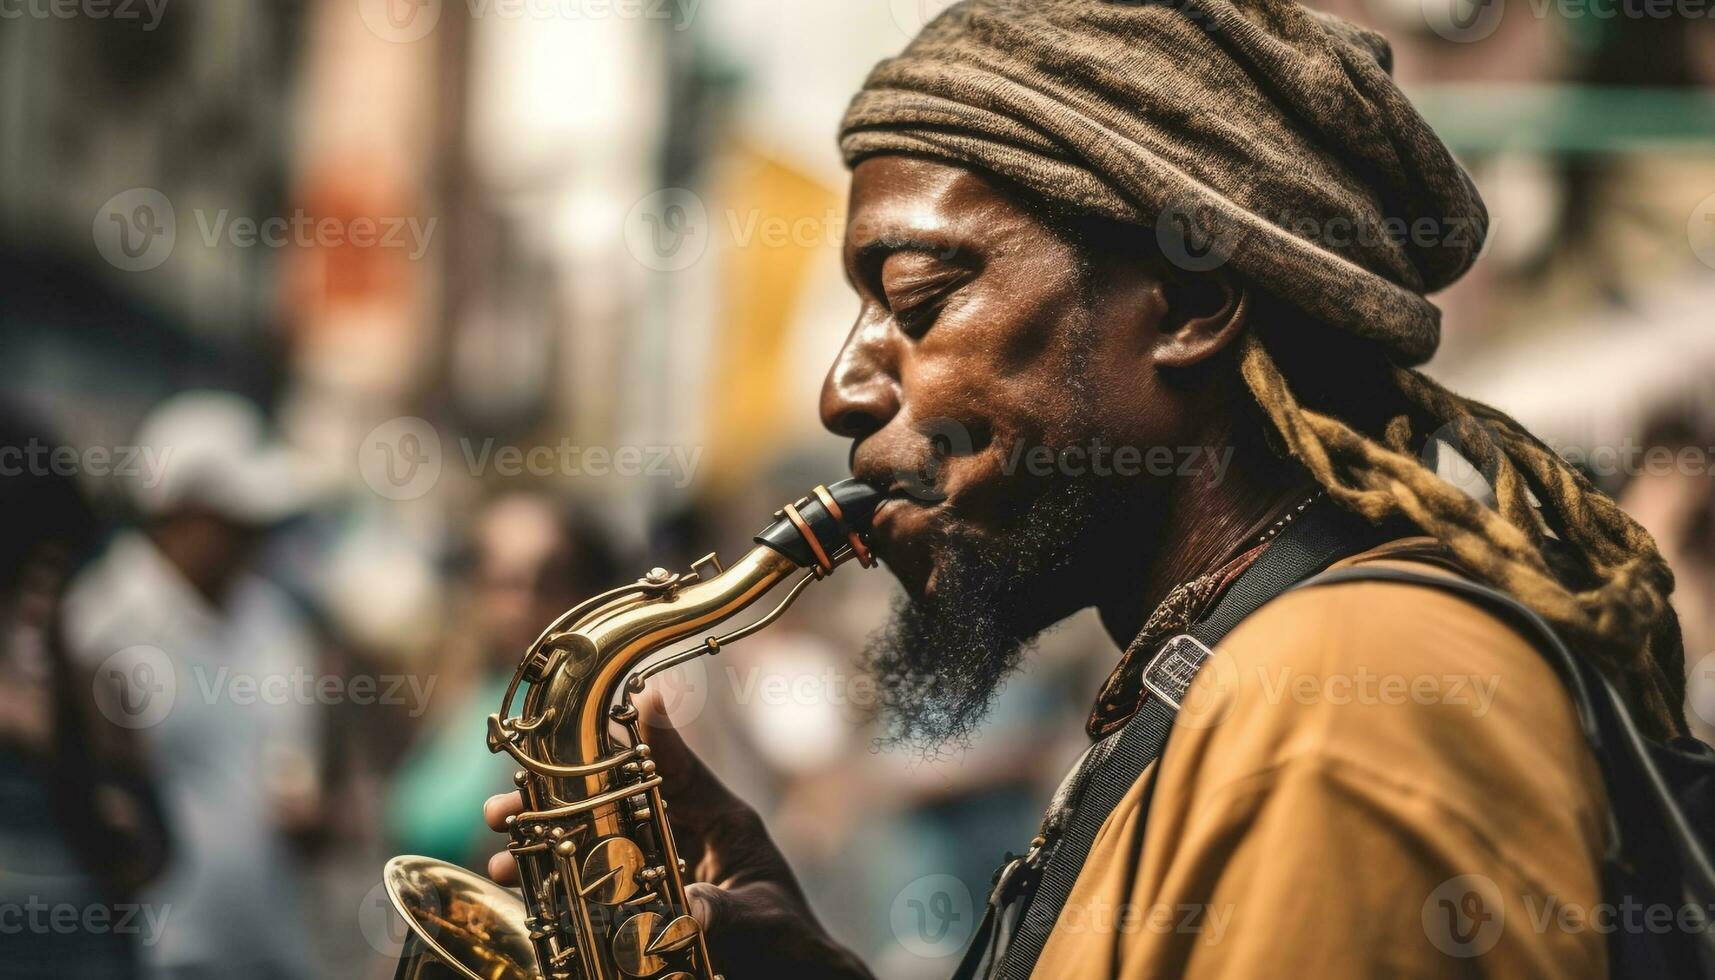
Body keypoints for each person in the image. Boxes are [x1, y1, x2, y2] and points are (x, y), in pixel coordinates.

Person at [486, 1, 1690, 976]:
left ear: (1187, 302)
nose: (842, 392)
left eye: (915, 298)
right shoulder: (1231, 671)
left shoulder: (1336, 711)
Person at [65, 391, 327, 980]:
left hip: (271, 951)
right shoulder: (98, 622)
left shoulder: (273, 618)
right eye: (235, 522)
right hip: (156, 957)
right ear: (180, 511)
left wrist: (315, 816)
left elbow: (295, 773)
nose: (254, 538)